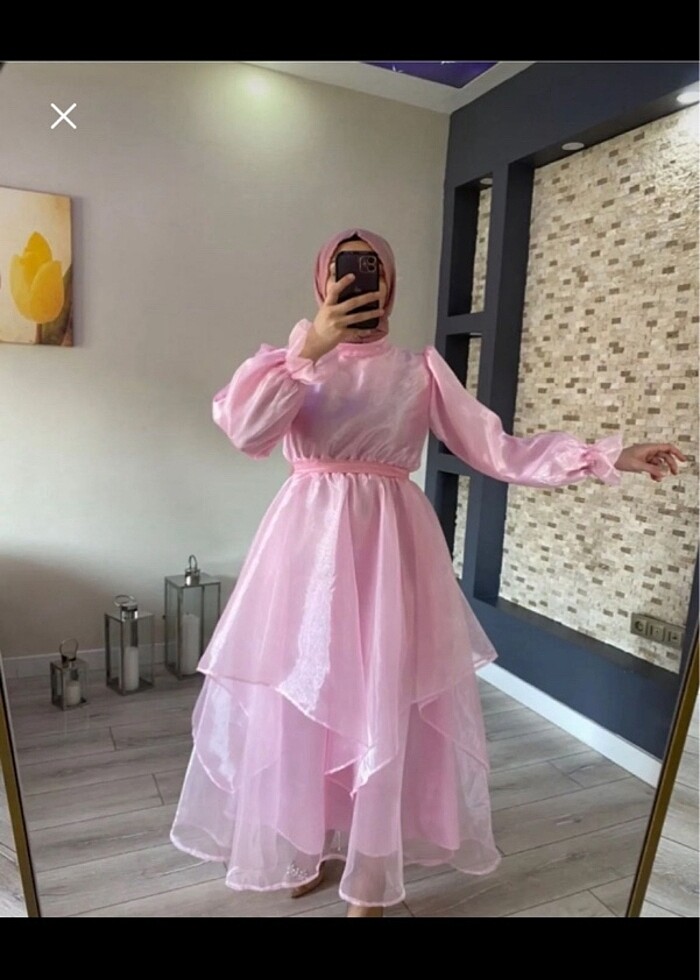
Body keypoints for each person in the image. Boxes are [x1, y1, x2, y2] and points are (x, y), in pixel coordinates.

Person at [170, 228, 686, 918]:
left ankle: (370, 878)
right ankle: (307, 846)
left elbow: (497, 449)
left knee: (382, 697)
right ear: (322, 281)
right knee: (301, 697)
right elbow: (245, 431)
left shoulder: (419, 371)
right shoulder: (287, 362)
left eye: (373, 269)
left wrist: (604, 456)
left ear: (391, 283)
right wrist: (309, 350)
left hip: (390, 553)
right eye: (346, 269)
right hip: (304, 554)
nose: (361, 280)